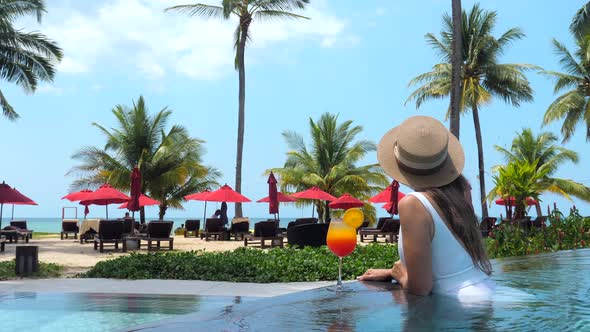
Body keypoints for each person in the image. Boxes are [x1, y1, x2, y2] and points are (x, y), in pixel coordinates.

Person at [358, 116, 495, 299]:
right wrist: (394, 271)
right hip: (487, 292)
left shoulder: (412, 204)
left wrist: (399, 274)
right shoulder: (460, 194)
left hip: (458, 308)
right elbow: (449, 263)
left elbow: (420, 289)